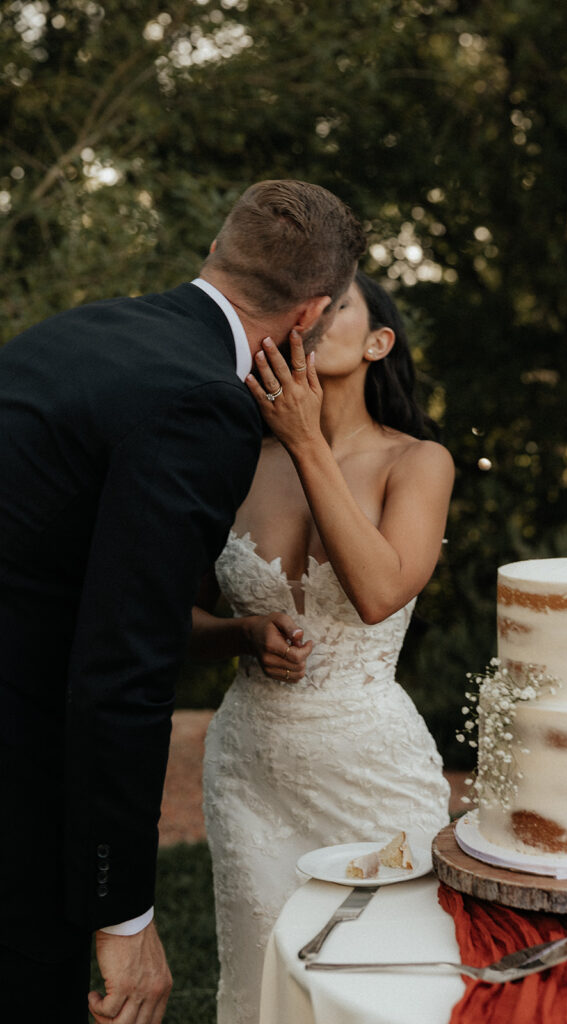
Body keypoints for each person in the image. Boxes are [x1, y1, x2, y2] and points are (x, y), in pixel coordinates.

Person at [0, 180, 365, 1023]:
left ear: (215, 250)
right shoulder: (202, 405)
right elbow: (124, 669)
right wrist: (122, 913)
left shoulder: (82, 330)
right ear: (308, 314)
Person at [194, 271, 455, 1024]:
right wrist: (240, 633)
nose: (314, 318)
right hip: (250, 768)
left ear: (379, 342)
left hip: (371, 765)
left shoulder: (419, 462)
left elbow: (378, 594)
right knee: (264, 976)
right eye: (305, 305)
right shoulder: (235, 462)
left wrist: (306, 438)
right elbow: (167, 621)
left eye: (338, 305)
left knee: (393, 976)